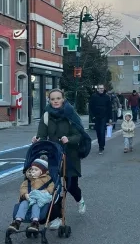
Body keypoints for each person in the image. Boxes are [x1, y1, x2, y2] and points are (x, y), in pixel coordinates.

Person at [33, 89, 86, 221]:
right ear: (49, 101)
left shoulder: (71, 114)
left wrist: (69, 139)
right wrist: (38, 139)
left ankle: (80, 200)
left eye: (58, 98)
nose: (55, 101)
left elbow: (78, 135)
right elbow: (42, 134)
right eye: (52, 99)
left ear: (63, 99)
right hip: (54, 155)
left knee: (71, 186)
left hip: (70, 155)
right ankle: (56, 217)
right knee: (53, 187)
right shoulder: (46, 115)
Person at [8, 156, 55, 232]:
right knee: (23, 204)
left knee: (36, 206)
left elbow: (51, 186)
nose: (33, 171)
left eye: (36, 170)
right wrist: (25, 194)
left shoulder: (47, 179)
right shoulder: (28, 180)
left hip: (39, 199)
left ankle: (35, 222)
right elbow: (23, 188)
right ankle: (17, 221)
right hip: (29, 197)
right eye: (32, 169)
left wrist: (47, 191)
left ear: (42, 171)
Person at [89, 84, 113, 155]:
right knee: (98, 132)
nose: (101, 89)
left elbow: (109, 108)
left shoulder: (107, 97)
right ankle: (100, 143)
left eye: (102, 88)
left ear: (104, 89)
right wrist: (92, 116)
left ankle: (101, 146)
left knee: (102, 131)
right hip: (96, 116)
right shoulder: (94, 96)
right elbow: (90, 107)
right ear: (97, 89)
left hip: (104, 116)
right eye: (99, 88)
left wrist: (110, 118)